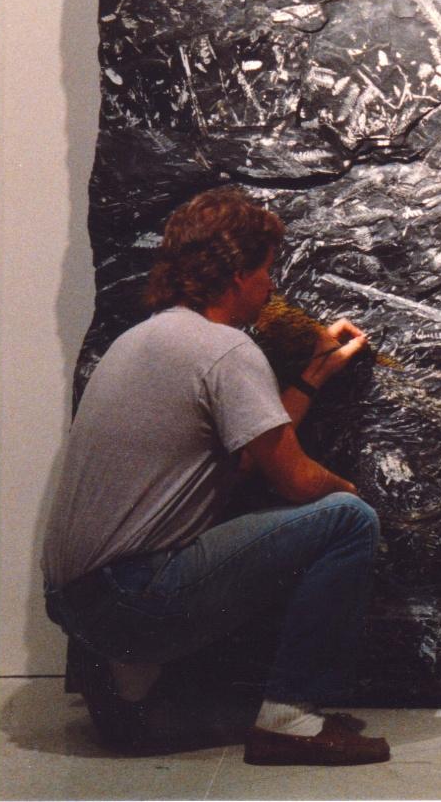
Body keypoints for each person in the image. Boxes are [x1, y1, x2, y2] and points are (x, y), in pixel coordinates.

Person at [42, 186, 391, 766]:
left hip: (77, 606)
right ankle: (292, 722)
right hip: (131, 600)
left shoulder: (146, 338)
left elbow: (250, 456)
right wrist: (348, 493)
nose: (271, 285)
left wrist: (310, 375)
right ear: (235, 277)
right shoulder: (225, 349)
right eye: (265, 270)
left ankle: (130, 697)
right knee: (349, 521)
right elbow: (296, 480)